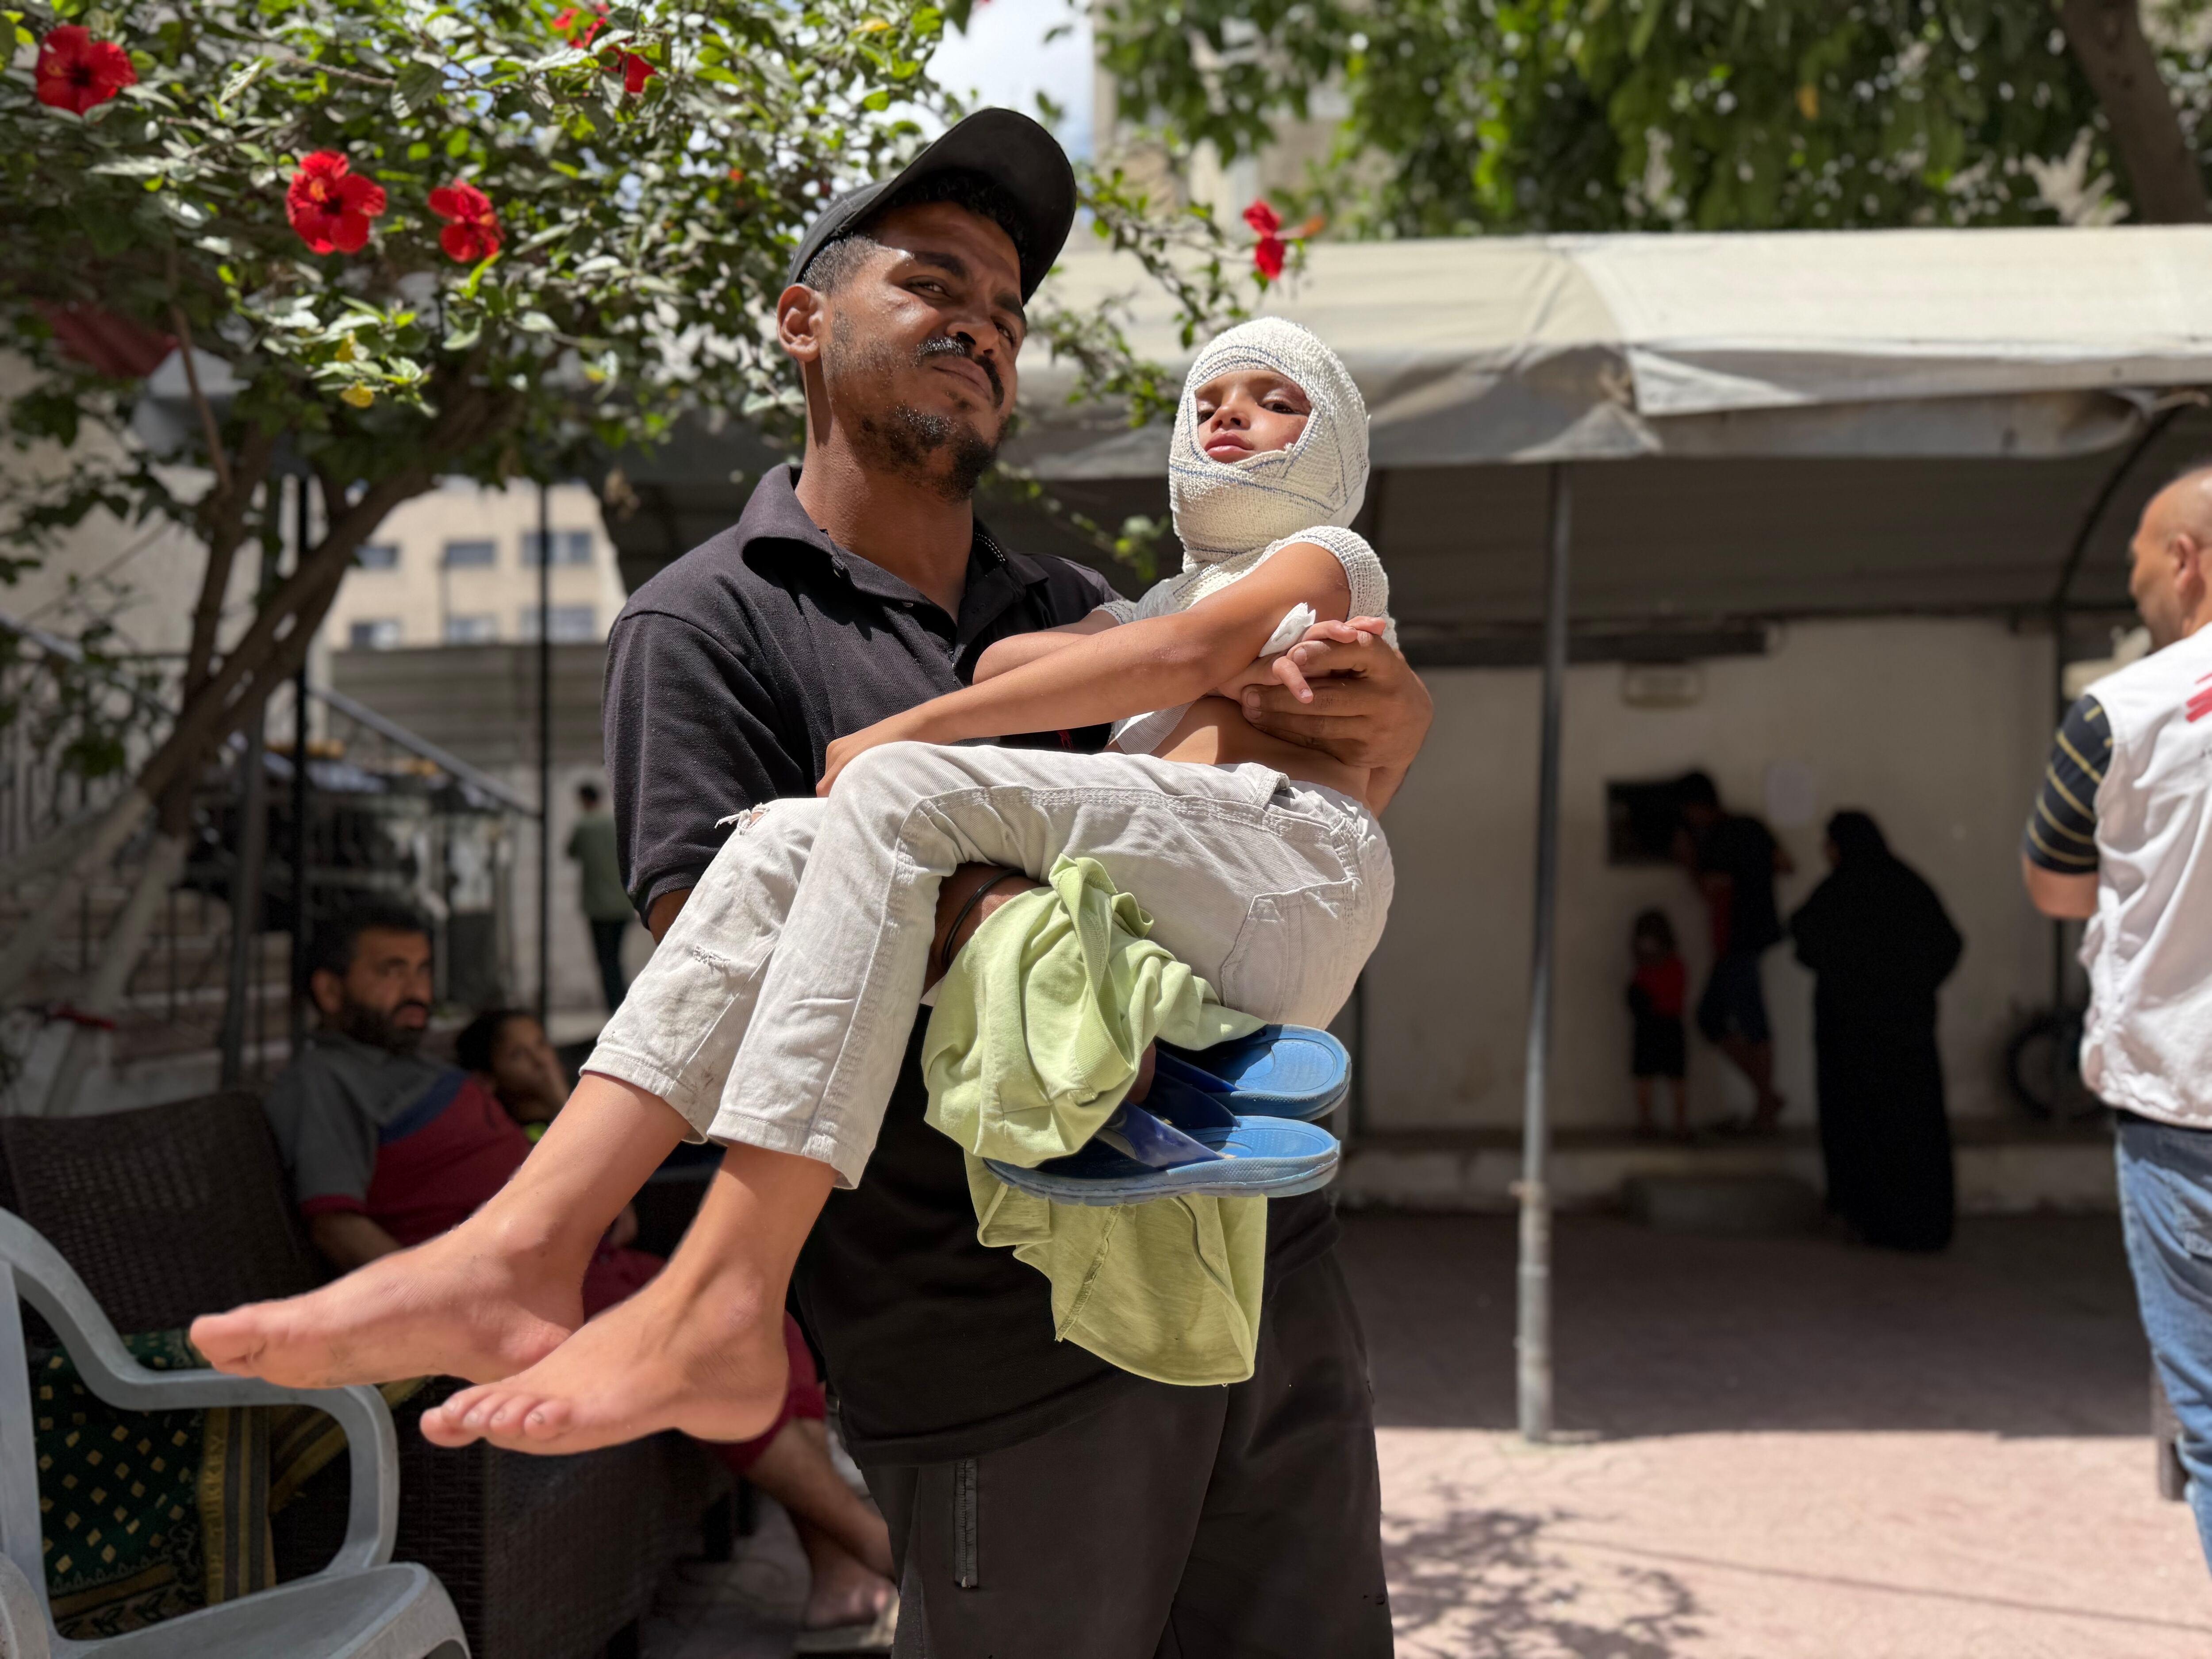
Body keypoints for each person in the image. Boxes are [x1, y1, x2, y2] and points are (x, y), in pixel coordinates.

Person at [192, 109, 1433, 1656]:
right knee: (808, 845)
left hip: (1263, 1271)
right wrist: (1020, 909)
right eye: (934, 284)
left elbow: (1242, 803)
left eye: (1005, 313)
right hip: (993, 1344)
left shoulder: (1068, 607)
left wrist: (1371, 747)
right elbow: (725, 953)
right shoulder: (705, 623)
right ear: (803, 321)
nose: (980, 329)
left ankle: (548, 1254)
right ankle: (557, 1255)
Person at [265, 922, 898, 1647]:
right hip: (525, 1298)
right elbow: (335, 1226)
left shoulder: (425, 1071)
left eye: (421, 969)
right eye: (390, 970)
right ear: (328, 989)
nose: (415, 988)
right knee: (708, 1343)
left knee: (758, 1319)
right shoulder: (325, 1083)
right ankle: (880, 1549)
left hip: (591, 1269)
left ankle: (836, 1578)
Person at [2021, 463, 2212, 1571]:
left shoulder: (2119, 709)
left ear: (2185, 559)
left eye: (2136, 550)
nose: (2129, 570)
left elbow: (2056, 886)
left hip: (2183, 1107)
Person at [1788, 811, 1962, 1251]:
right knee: (1912, 1127)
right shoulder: (1907, 886)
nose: (1825, 854)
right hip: (1906, 1033)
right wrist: (1910, 988)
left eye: (1828, 845)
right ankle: (1921, 1222)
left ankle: (1866, 1217)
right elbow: (1947, 943)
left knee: (1858, 1125)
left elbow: (1803, 939)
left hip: (1850, 1034)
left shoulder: (1838, 892)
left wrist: (1849, 981)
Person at [1674, 769, 1792, 1131]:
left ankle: (1766, 1104)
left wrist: (1689, 862)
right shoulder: (1751, 826)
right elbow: (1786, 865)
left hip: (1735, 940)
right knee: (1721, 1018)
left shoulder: (1717, 840)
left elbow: (1711, 891)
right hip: (1758, 935)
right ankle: (1767, 1098)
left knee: (1740, 1020)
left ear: (1695, 808)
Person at [568, 782, 632, 1012]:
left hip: (597, 907)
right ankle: (625, 1002)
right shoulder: (614, 824)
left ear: (584, 800)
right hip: (621, 904)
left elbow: (570, 853)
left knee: (605, 961)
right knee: (617, 958)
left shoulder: (584, 826)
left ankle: (614, 1005)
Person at [1626, 908, 1688, 1138]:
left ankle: (1678, 1124)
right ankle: (1648, 1122)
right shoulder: (1647, 970)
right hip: (1654, 1026)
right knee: (1649, 1077)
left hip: (1665, 1024)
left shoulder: (1671, 967)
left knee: (1673, 1077)